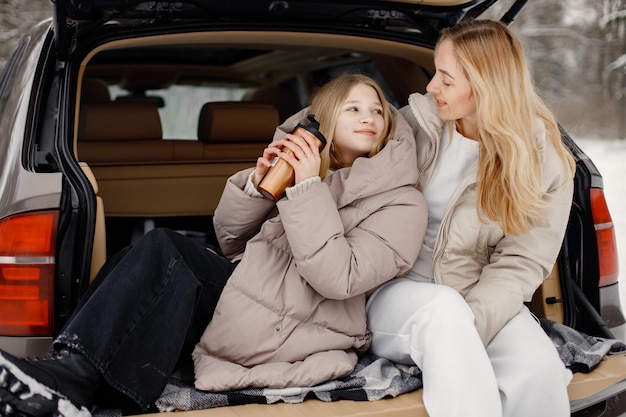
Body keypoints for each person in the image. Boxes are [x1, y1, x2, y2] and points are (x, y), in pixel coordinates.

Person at [0, 73, 427, 416]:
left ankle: (72, 382)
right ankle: (69, 374)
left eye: (377, 109)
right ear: (327, 118)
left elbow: (339, 277)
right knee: (139, 257)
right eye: (353, 107)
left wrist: (307, 189)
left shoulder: (403, 201)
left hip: (305, 325)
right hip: (258, 295)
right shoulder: (307, 169)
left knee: (166, 251)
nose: (369, 116)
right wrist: (260, 190)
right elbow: (230, 241)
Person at [365, 19, 577, 417]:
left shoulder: (544, 160)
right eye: (434, 73)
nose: (431, 87)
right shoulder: (413, 127)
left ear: (486, 84)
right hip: (392, 290)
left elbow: (520, 263)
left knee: (539, 369)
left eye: (445, 78)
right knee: (443, 310)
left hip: (475, 298)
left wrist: (465, 334)